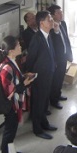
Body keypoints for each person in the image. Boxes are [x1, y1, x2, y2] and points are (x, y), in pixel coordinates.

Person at [0, 35, 35, 153]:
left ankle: (10, 151)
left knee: (12, 129)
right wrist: (25, 84)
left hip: (15, 103)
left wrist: (24, 77)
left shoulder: (12, 61)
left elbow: (15, 80)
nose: (20, 47)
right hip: (10, 105)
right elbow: (9, 91)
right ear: (11, 50)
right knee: (9, 130)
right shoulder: (7, 67)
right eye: (18, 45)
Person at [24, 11, 58, 139]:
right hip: (39, 77)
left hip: (48, 74)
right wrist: (31, 74)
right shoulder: (36, 38)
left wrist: (54, 63)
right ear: (42, 23)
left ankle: (44, 123)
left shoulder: (48, 35)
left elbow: (51, 52)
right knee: (38, 103)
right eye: (49, 19)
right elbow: (31, 58)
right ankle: (37, 129)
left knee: (44, 102)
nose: (52, 21)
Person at [47, 4, 73, 110]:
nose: (61, 14)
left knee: (61, 78)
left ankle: (58, 94)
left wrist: (70, 55)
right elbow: (51, 46)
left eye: (61, 12)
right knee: (56, 80)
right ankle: (54, 100)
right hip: (56, 59)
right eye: (58, 12)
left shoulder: (63, 24)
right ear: (52, 15)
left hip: (64, 56)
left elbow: (66, 40)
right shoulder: (49, 28)